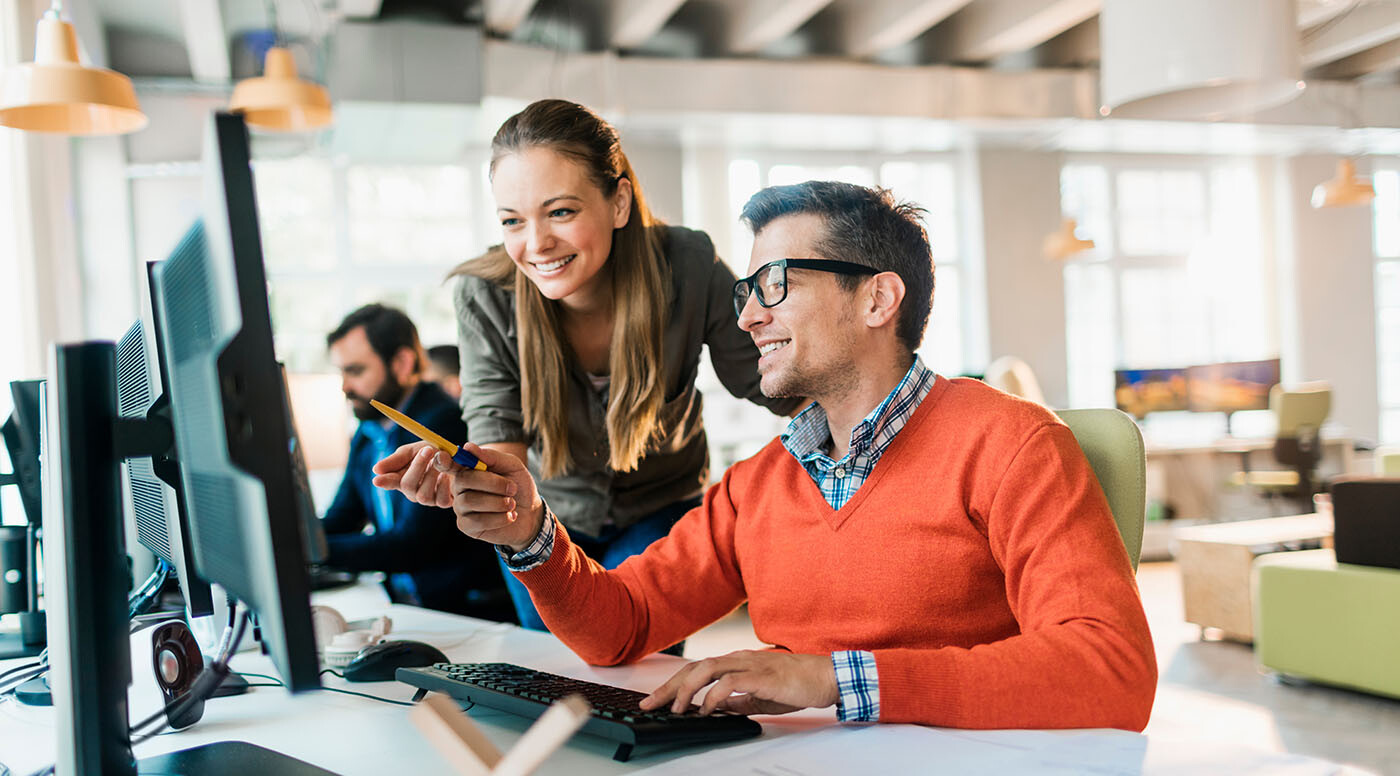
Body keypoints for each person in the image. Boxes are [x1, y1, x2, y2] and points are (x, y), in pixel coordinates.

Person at [377, 180, 1157, 730]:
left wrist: (831, 678)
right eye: (748, 287)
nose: (746, 315)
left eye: (774, 283)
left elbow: (1110, 668)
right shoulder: (760, 485)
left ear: (877, 299)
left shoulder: (1013, 443)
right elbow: (622, 625)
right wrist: (529, 532)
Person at [379, 99, 802, 631]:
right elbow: (498, 445)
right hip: (547, 518)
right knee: (559, 672)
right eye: (513, 220)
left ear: (619, 201)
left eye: (561, 211)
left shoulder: (687, 265)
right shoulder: (484, 294)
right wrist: (471, 482)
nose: (536, 245)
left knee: (638, 676)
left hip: (660, 508)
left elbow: (778, 386)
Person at [323, 303, 513, 621]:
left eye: (355, 371)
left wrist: (308, 553)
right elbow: (343, 517)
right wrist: (287, 539)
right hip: (408, 607)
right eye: (341, 372)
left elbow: (412, 545)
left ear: (401, 363)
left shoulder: (441, 422)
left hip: (463, 613)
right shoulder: (368, 431)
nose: (344, 386)